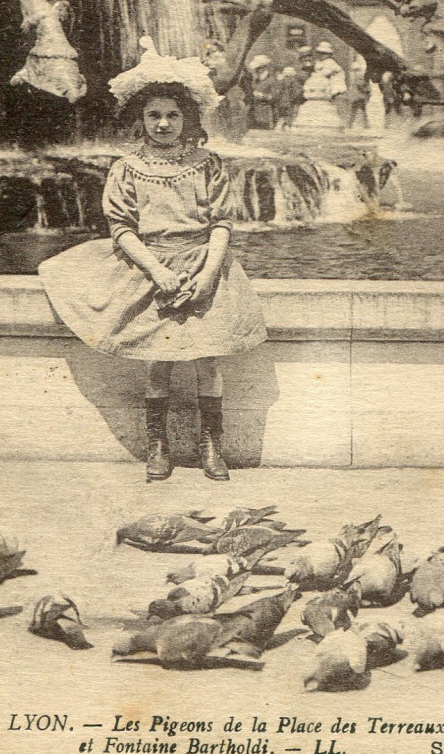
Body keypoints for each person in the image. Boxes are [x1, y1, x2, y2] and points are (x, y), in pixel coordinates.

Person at [38, 39, 267, 483]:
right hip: (152, 268)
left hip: (205, 266)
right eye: (154, 115)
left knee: (208, 360)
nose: (163, 124)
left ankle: (210, 446)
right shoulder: (127, 167)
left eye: (173, 115)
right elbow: (121, 227)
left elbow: (222, 222)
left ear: (188, 119)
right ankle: (157, 446)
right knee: (157, 360)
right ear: (140, 120)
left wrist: (207, 274)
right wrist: (157, 271)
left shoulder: (207, 164)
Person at [247, 54, 277, 130]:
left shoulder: (271, 80)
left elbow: (274, 97)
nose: (256, 70)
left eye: (258, 68)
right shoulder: (255, 80)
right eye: (256, 69)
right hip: (254, 114)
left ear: (263, 68)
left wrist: (262, 95)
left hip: (266, 115)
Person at [275, 65, 304, 129]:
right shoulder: (282, 83)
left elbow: (297, 92)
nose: (287, 78)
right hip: (284, 101)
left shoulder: (294, 83)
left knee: (290, 113)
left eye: (288, 77)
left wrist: (291, 98)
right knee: (283, 113)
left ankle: (287, 124)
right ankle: (284, 124)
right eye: (286, 77)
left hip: (290, 102)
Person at [347, 57, 371, 130]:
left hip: (358, 97)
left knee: (354, 111)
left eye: (355, 70)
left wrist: (365, 91)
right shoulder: (358, 76)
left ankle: (350, 125)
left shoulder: (358, 76)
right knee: (362, 111)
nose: (354, 71)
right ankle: (366, 125)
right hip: (360, 97)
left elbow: (361, 85)